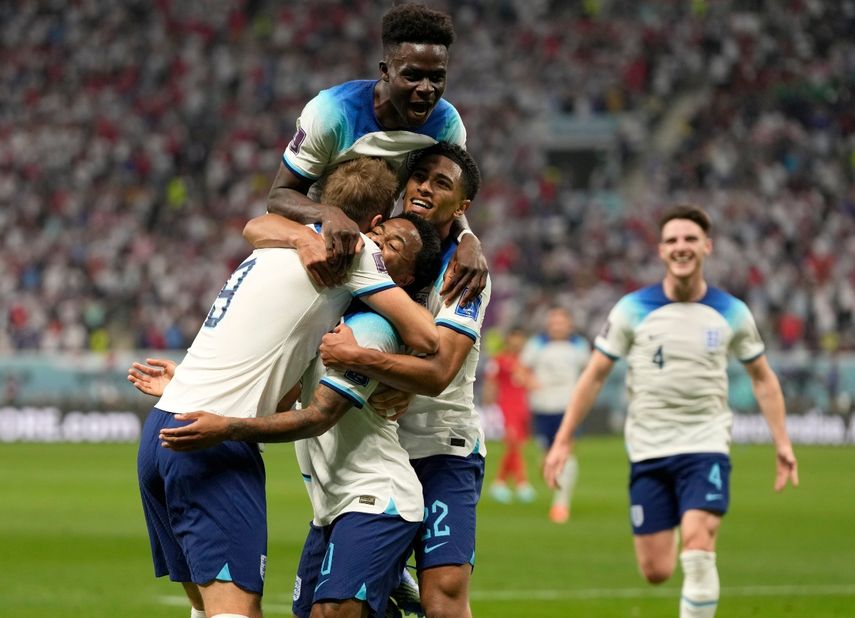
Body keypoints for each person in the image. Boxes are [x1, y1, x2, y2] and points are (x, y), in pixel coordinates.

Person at [134, 158, 440, 618]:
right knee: (235, 612)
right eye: (380, 234)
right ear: (373, 222)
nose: (377, 244)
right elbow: (429, 336)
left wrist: (187, 383)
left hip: (162, 429)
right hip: (209, 437)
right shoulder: (352, 251)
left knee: (204, 608)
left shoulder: (274, 245)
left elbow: (255, 226)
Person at [543, 205, 799, 618]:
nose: (682, 247)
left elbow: (763, 378)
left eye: (690, 239)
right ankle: (682, 522)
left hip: (706, 442)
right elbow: (593, 375)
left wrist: (782, 442)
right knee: (657, 570)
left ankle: (695, 526)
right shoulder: (632, 309)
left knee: (699, 547)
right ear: (661, 251)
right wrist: (563, 439)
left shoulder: (732, 311)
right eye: (673, 241)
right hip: (648, 448)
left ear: (707, 247)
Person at [317, 142, 488, 618]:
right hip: (375, 451)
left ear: (462, 206)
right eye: (420, 178)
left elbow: (437, 374)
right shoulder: (381, 238)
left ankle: (400, 578)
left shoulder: (466, 270)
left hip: (442, 444)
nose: (425, 189)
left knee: (444, 596)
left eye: (442, 184)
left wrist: (361, 360)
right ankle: (394, 577)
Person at [266, 2, 487, 305]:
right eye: (412, 76)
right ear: (385, 71)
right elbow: (278, 197)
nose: (426, 89)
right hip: (310, 251)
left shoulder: (446, 125)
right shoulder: (332, 113)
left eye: (437, 77)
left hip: (376, 257)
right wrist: (329, 213)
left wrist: (468, 239)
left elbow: (448, 201)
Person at [521, 306, 591, 523]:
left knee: (566, 453)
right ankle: (556, 486)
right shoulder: (536, 345)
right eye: (554, 322)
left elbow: (590, 373)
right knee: (546, 458)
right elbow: (521, 370)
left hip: (567, 408)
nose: (557, 326)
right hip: (542, 408)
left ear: (569, 324)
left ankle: (561, 504)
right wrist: (531, 382)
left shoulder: (579, 346)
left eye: (561, 322)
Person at [482, 326, 536, 504]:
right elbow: (490, 383)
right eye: (515, 337)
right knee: (512, 443)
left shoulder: (524, 361)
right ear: (509, 339)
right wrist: (489, 407)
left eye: (521, 338)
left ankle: (500, 483)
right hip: (506, 408)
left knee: (518, 445)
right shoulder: (499, 360)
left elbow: (531, 383)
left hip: (522, 407)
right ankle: (522, 483)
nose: (518, 342)